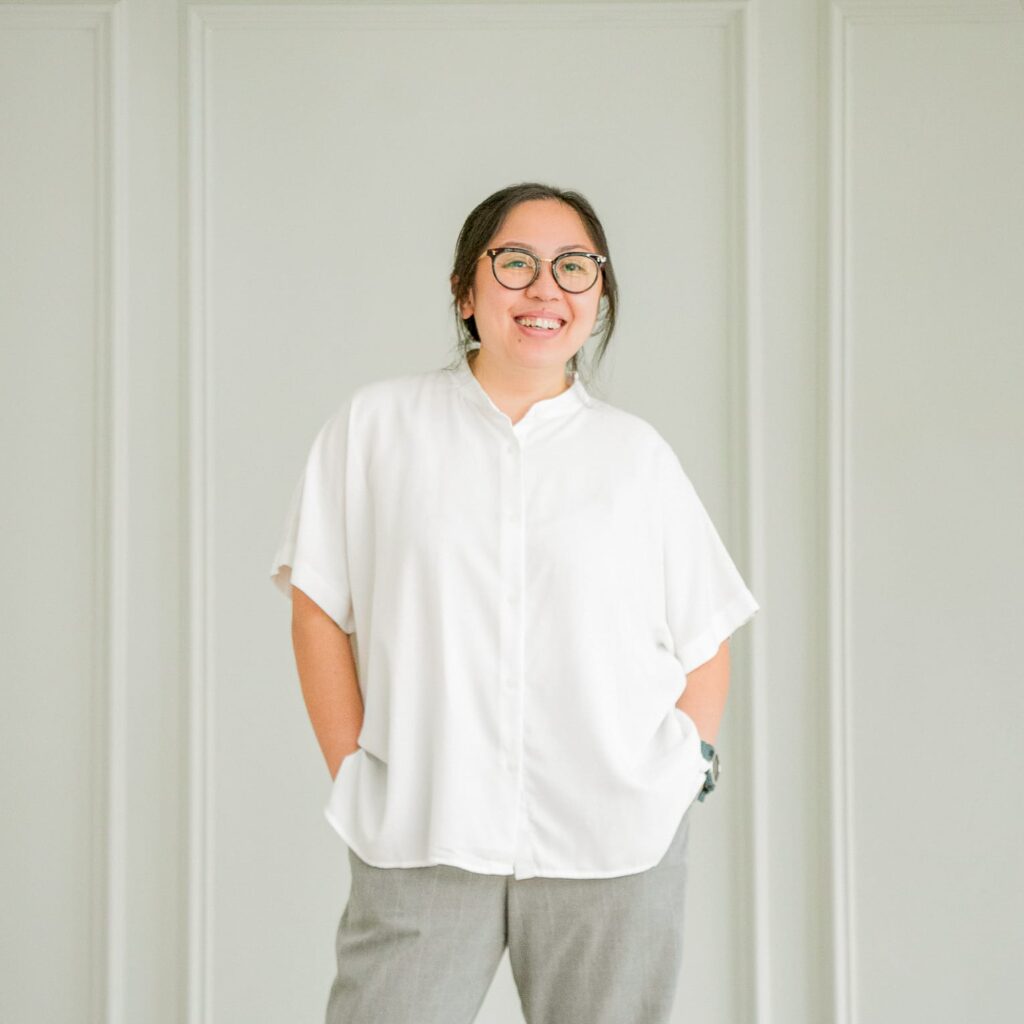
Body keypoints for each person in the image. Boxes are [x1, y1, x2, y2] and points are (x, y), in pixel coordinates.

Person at [269, 181, 760, 1024]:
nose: (545, 289)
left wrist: (689, 770)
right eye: (516, 263)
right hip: (425, 824)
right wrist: (354, 771)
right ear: (466, 290)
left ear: (597, 297)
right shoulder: (377, 428)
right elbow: (319, 604)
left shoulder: (634, 456)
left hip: (613, 839)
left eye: (574, 268)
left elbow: (705, 633)